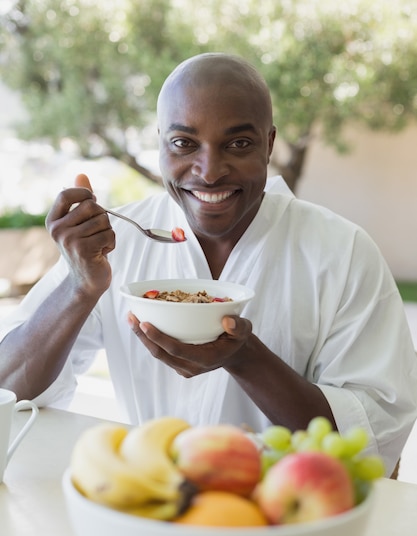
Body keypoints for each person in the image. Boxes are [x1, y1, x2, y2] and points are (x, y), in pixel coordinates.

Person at [0, 53, 416, 476]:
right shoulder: (116, 245)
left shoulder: (342, 253)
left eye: (238, 143)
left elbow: (373, 442)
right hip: (149, 502)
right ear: (160, 142)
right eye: (184, 143)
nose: (210, 171)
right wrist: (79, 289)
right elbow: (8, 388)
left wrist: (245, 359)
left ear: (269, 144)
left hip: (287, 520)